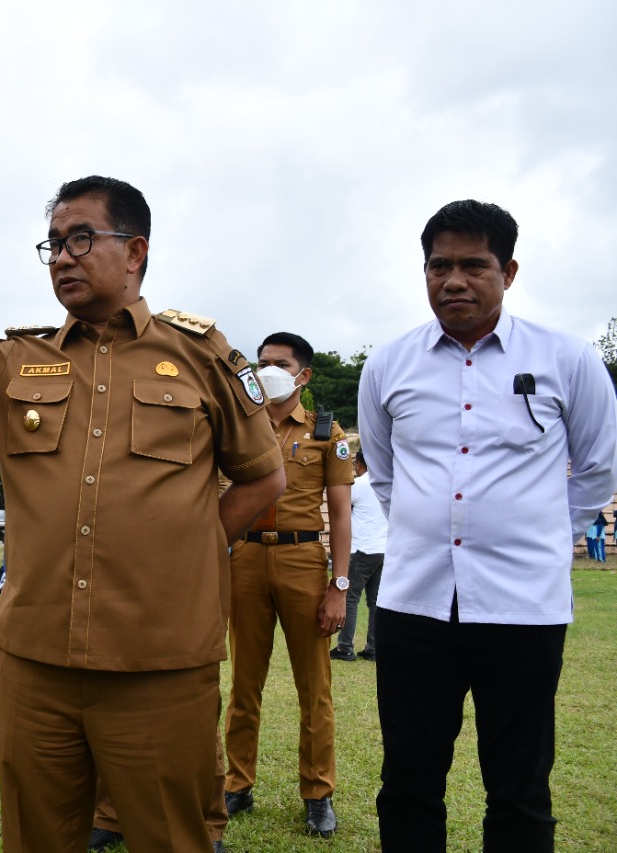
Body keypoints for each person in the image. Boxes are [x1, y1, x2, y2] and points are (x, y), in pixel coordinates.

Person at [0, 174, 286, 853]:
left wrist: (190, 544)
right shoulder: (16, 359)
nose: (62, 256)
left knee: (172, 835)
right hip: (39, 662)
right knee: (37, 835)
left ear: (136, 251)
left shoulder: (200, 355)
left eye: (81, 239)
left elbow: (264, 476)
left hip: (160, 660)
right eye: (54, 243)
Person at [358, 199, 617, 852]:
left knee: (519, 787)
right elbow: (385, 477)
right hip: (415, 604)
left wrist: (539, 537)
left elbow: (597, 468)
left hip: (523, 606)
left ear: (509, 271)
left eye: (474, 265)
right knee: (408, 781)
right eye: (438, 265)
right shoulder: (389, 364)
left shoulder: (567, 359)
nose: (454, 281)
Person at [223, 332, 353, 838]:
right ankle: (237, 784)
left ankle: (318, 794)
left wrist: (338, 586)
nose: (268, 371)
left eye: (281, 363)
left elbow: (340, 514)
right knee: (244, 683)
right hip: (246, 557)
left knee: (314, 687)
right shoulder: (240, 425)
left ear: (305, 375)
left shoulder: (325, 431)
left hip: (303, 559)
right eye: (262, 362)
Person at [331, 450, 388, 661]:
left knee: (350, 599)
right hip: (383, 549)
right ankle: (373, 647)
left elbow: (340, 506)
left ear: (360, 464)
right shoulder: (386, 483)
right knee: (375, 602)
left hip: (362, 550)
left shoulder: (359, 484)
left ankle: (345, 647)